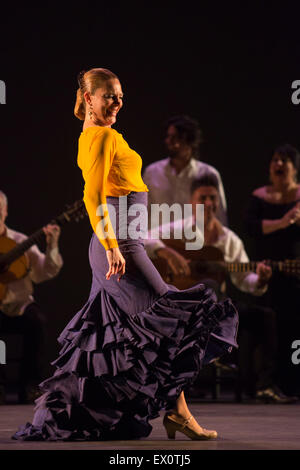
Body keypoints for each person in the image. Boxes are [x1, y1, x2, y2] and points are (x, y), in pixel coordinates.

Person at [13, 68, 238, 442]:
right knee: (169, 319)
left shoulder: (96, 135)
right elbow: (91, 196)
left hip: (118, 244)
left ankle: (95, 411)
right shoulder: (101, 136)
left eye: (120, 96)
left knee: (109, 335)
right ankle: (178, 414)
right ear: (88, 98)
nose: (117, 102)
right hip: (120, 247)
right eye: (109, 96)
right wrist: (113, 246)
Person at [146, 173, 297, 402]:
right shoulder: (176, 229)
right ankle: (209, 355)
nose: (208, 203)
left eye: (213, 198)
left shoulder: (229, 240)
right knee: (209, 286)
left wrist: (262, 279)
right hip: (180, 305)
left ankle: (264, 386)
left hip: (218, 306)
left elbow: (245, 280)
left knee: (264, 316)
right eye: (203, 198)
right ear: (191, 202)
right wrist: (168, 253)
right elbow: (143, 240)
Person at [245, 144, 300, 397]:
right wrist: (283, 222)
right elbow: (252, 228)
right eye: (275, 160)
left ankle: (293, 384)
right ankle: (268, 383)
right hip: (268, 272)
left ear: (294, 167)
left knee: (294, 327)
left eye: (284, 160)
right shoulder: (260, 197)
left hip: (295, 272)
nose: (278, 164)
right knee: (272, 327)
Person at [143, 114, 227, 278]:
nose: (169, 141)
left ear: (189, 140)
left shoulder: (208, 174)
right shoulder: (152, 172)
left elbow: (220, 218)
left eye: (175, 137)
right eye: (168, 137)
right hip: (160, 251)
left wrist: (217, 258)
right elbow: (143, 215)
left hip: (195, 256)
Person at [0, 190, 63, 404]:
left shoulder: (20, 241)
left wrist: (52, 244)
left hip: (19, 305)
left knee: (36, 322)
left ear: (5, 211)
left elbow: (44, 271)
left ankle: (29, 385)